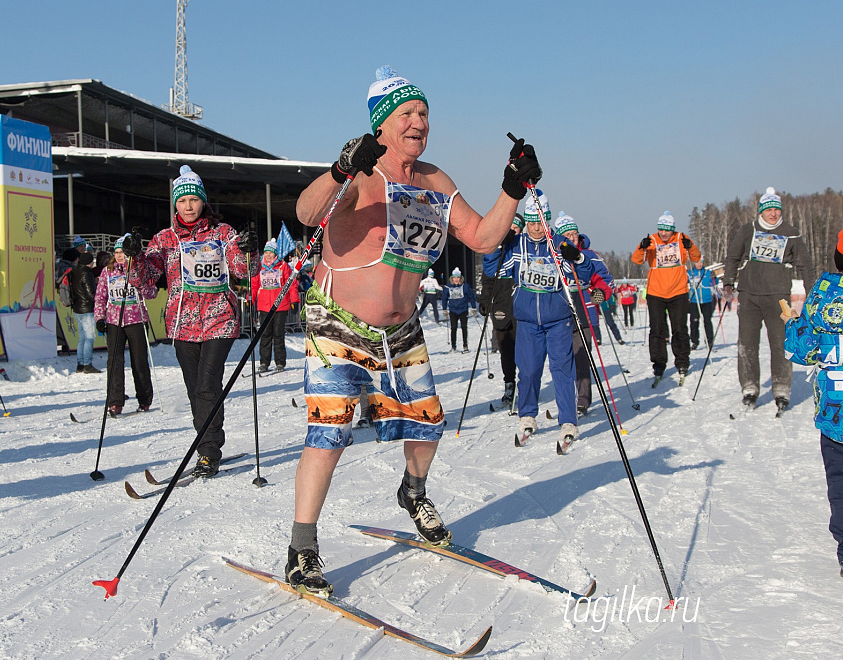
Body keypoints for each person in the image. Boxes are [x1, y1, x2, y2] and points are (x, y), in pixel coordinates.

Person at [287, 65, 541, 595]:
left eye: (424, 113)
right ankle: (302, 547)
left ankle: (413, 492)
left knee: (427, 424)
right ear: (382, 124)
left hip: (400, 331)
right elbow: (308, 213)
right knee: (329, 432)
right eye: (407, 113)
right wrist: (338, 170)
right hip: (337, 324)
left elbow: (483, 238)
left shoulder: (434, 181)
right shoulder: (361, 175)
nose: (418, 121)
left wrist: (512, 188)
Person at [126, 166, 257, 475]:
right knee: (194, 388)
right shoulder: (164, 239)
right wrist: (136, 258)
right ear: (175, 204)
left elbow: (241, 270)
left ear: (203, 202)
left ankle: (209, 450)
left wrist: (247, 250)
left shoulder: (223, 233)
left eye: (193, 200)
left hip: (219, 320)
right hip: (182, 323)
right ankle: (206, 443)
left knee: (207, 385)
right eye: (182, 200)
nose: (188, 206)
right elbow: (145, 281)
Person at [783, 209, 843, 586]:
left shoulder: (827, 295)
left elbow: (803, 350)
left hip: (841, 417)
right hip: (842, 417)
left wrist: (792, 323)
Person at [499, 191, 596, 443]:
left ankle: (568, 422)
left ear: (547, 221)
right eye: (531, 223)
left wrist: (579, 257)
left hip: (558, 320)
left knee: (562, 370)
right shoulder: (518, 244)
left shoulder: (560, 243)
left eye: (540, 223)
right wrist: (500, 244)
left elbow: (585, 273)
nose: (535, 228)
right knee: (529, 371)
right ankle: (528, 415)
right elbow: (492, 268)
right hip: (528, 320)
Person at [724, 187, 814, 412]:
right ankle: (750, 387)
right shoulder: (748, 230)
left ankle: (782, 388)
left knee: (782, 343)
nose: (773, 214)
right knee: (747, 344)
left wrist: (811, 290)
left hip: (780, 297)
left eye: (776, 209)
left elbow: (805, 264)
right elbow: (733, 257)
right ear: (761, 211)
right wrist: (728, 282)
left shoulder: (791, 233)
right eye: (768, 210)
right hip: (749, 295)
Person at [555, 212, 614, 416]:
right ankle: (565, 401)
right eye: (567, 235)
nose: (572, 238)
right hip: (558, 314)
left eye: (574, 234)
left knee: (582, 358)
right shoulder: (552, 256)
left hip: (584, 312)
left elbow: (606, 279)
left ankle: (583, 400)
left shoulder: (590, 255)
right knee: (561, 360)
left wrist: (601, 293)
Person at [631, 212, 701, 383]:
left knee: (679, 328)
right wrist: (642, 247)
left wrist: (690, 246)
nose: (663, 234)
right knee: (657, 329)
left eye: (667, 230)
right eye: (661, 229)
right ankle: (659, 364)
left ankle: (682, 362)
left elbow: (696, 257)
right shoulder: (652, 240)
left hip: (678, 291)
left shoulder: (681, 238)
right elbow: (637, 260)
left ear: (673, 230)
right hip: (656, 292)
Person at [96, 235, 156, 414]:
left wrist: (141, 284)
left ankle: (144, 399)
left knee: (139, 361)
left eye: (122, 252)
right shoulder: (108, 271)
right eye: (116, 252)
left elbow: (151, 292)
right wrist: (100, 317)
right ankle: (115, 401)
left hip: (136, 319)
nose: (119, 255)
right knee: (114, 361)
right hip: (114, 320)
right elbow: (101, 295)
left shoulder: (137, 269)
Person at [480, 220, 521, 408]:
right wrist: (485, 300)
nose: (511, 230)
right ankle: (509, 384)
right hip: (501, 304)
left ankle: (527, 383)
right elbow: (488, 279)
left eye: (515, 227)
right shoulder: (495, 250)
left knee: (525, 348)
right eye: (508, 226)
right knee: (506, 347)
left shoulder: (522, 247)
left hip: (520, 304)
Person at [251, 239, 300, 373]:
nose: (268, 255)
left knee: (278, 335)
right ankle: (264, 362)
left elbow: (291, 284)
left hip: (280, 306)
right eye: (266, 252)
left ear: (275, 254)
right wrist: (250, 300)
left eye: (270, 253)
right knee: (265, 335)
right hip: (264, 306)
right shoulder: (259, 267)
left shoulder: (283, 266)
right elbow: (254, 285)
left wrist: (294, 301)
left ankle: (280, 362)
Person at [71, 252, 101, 374]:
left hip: (78, 308)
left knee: (82, 337)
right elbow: (90, 293)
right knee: (90, 336)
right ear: (89, 262)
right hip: (87, 308)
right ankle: (87, 364)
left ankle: (80, 364)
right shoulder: (86, 274)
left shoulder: (75, 272)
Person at [441, 267, 477, 353]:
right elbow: (444, 298)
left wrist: (473, 307)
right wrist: (444, 309)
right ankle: (453, 346)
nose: (456, 279)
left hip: (463, 309)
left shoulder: (465, 286)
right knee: (453, 328)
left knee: (464, 327)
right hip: (453, 310)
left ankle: (465, 345)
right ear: (452, 278)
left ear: (460, 278)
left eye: (458, 278)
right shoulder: (448, 287)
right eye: (454, 278)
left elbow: (471, 297)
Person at [687, 259, 717, 350]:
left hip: (706, 300)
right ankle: (694, 341)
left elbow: (716, 282)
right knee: (694, 321)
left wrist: (714, 278)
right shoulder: (689, 273)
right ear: (694, 263)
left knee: (707, 321)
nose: (699, 264)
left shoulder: (708, 272)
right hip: (694, 301)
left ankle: (709, 340)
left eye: (701, 262)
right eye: (697, 262)